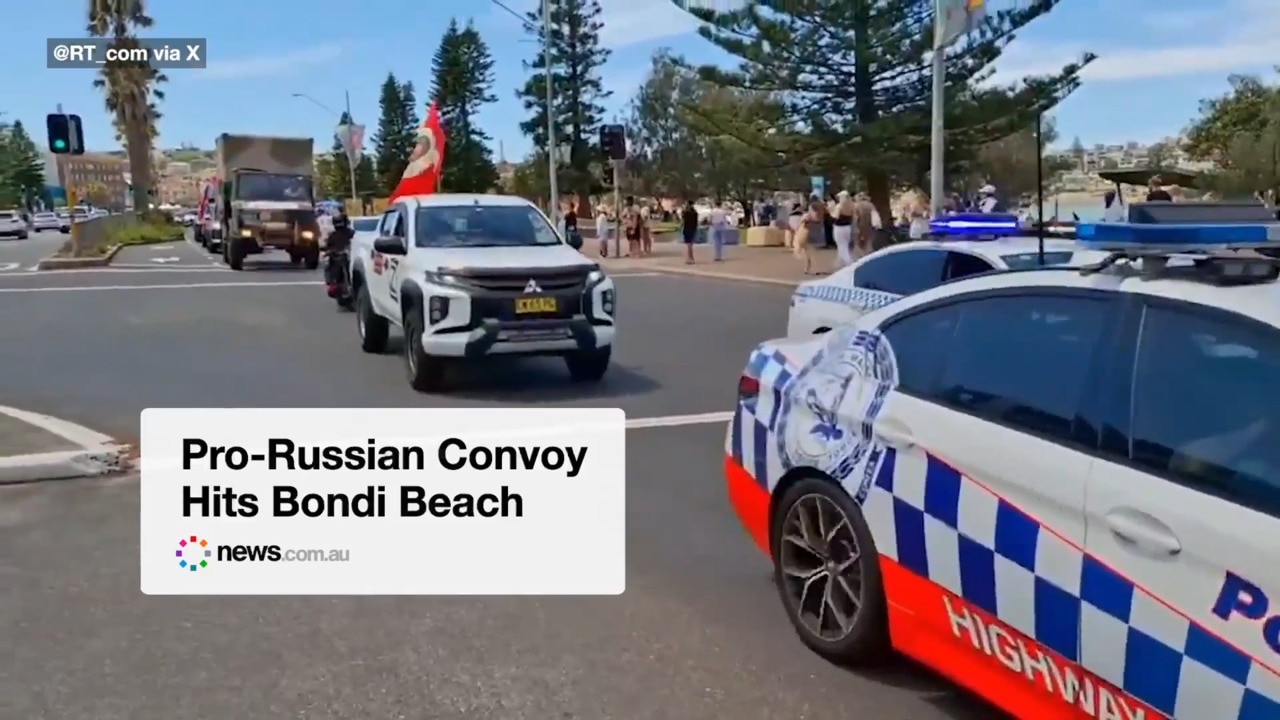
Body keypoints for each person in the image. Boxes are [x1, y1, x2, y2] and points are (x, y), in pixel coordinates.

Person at [795, 199, 825, 275]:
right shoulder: (820, 215)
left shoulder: (808, 215)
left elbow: (803, 223)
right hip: (816, 233)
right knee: (812, 252)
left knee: (808, 252)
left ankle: (810, 268)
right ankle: (809, 268)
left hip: (806, 233)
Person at [832, 190, 855, 267]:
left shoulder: (839, 206)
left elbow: (835, 217)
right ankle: (840, 262)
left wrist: (830, 211)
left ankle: (849, 263)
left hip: (839, 228)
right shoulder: (851, 205)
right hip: (848, 227)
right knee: (845, 244)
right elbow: (853, 217)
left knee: (841, 245)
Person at [681, 199, 699, 264]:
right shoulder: (695, 213)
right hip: (693, 228)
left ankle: (690, 258)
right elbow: (696, 222)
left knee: (689, 245)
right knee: (690, 244)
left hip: (687, 228)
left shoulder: (686, 212)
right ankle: (690, 258)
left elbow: (683, 221)